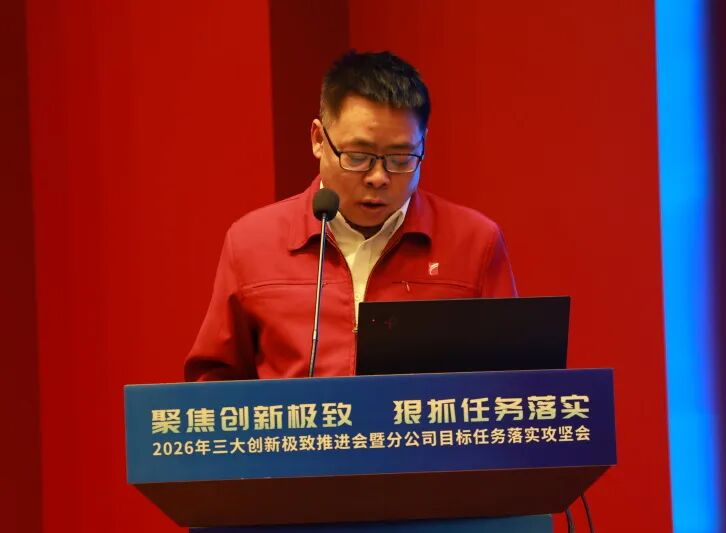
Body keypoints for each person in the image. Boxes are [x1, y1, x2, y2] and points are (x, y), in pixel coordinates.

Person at [185, 51, 517, 382]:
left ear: (423, 144)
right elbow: (214, 384)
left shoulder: (474, 242)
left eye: (401, 159)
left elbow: (511, 381)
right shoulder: (253, 243)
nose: (378, 177)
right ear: (318, 139)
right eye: (358, 156)